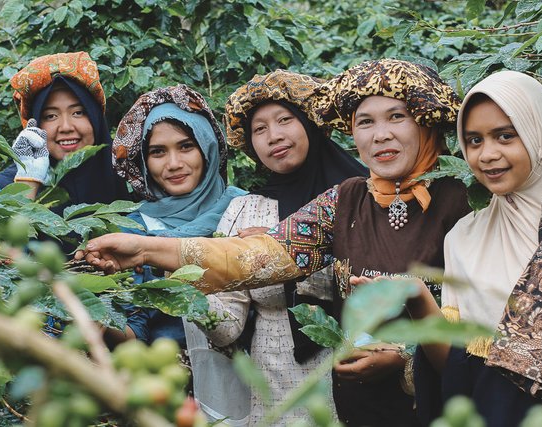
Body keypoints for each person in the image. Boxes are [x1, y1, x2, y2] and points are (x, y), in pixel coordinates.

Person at [76, 59, 470, 426]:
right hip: (358, 410)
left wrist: (406, 358)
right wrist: (144, 249)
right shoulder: (345, 198)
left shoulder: (468, 201)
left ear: (425, 120)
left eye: (396, 117)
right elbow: (259, 257)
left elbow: (487, 319)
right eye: (364, 122)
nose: (380, 135)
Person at [184, 70, 367, 425]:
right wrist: (190, 288)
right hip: (274, 392)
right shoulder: (245, 210)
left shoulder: (361, 197)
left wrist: (280, 244)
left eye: (285, 120)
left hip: (358, 378)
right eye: (260, 129)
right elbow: (228, 328)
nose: (274, 136)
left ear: (311, 124)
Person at [409, 70, 542, 427]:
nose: (487, 155)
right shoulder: (464, 238)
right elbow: (457, 371)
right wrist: (417, 299)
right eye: (474, 140)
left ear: (538, 133)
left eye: (505, 136)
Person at [106, 85, 246, 350]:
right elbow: (134, 330)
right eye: (158, 152)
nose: (173, 164)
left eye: (186, 147)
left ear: (208, 149)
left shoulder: (244, 209)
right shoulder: (133, 229)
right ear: (144, 162)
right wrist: (93, 317)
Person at [0, 52, 130, 218]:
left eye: (78, 112)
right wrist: (28, 183)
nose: (65, 127)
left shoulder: (130, 174)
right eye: (50, 116)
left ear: (96, 118)